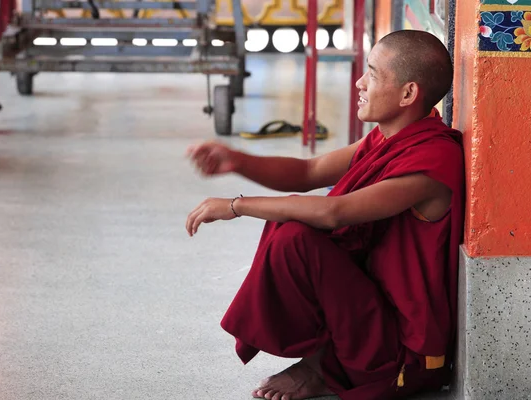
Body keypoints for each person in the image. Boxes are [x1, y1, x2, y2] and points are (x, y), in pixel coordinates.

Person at [186, 30, 464, 400]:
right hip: (371, 308)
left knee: (295, 236)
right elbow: (309, 172)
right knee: (292, 228)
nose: (359, 82)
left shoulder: (433, 159)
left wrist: (237, 206)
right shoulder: (386, 138)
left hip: (404, 349)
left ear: (408, 94)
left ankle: (323, 367)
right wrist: (237, 160)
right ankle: (323, 360)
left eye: (373, 74)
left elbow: (336, 212)